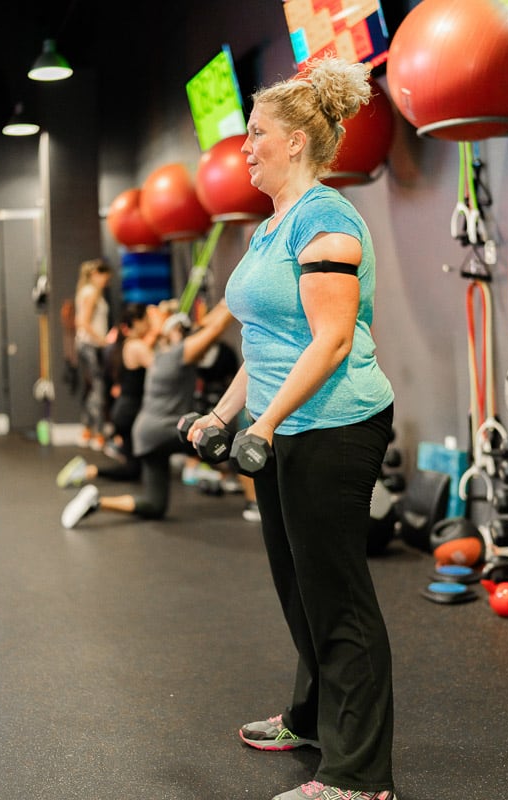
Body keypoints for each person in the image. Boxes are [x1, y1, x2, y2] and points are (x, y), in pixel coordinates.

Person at [187, 57, 396, 800]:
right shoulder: (270, 227)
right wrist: (223, 415)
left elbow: (331, 341)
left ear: (297, 142)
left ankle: (359, 777)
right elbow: (267, 343)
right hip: (281, 429)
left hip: (333, 425)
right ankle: (311, 720)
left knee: (338, 598)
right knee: (300, 590)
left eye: (256, 133)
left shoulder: (326, 219)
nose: (244, 147)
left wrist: (267, 423)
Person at [60, 300, 234, 528]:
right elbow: (214, 329)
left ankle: (97, 502)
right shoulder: (175, 355)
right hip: (165, 431)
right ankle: (253, 502)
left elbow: (204, 326)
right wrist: (238, 297)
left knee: (154, 505)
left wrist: (223, 303)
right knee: (231, 444)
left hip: (147, 433)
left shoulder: (161, 353)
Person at [57, 301, 168, 488]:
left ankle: (93, 467)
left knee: (136, 466)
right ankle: (88, 471)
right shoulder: (136, 346)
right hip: (130, 413)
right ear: (136, 322)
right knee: (133, 469)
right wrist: (161, 333)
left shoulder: (126, 345)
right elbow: (164, 371)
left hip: (125, 411)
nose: (149, 324)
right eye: (146, 320)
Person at [74, 258, 113, 450]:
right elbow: (82, 322)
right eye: (105, 277)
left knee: (91, 389)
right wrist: (102, 340)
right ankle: (98, 433)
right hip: (90, 346)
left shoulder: (86, 291)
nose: (106, 281)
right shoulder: (91, 292)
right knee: (97, 388)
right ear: (96, 274)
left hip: (86, 345)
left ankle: (89, 429)